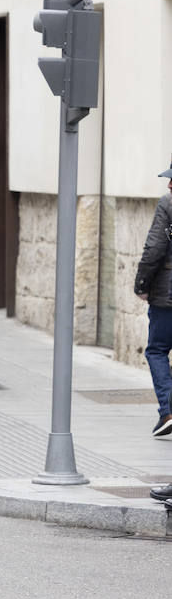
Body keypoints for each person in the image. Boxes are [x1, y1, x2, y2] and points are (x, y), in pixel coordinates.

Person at [136, 158, 172, 454]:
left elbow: (155, 248)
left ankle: (168, 412)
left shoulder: (168, 203)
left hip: (167, 295)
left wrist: (141, 284)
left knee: (157, 349)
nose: (169, 183)